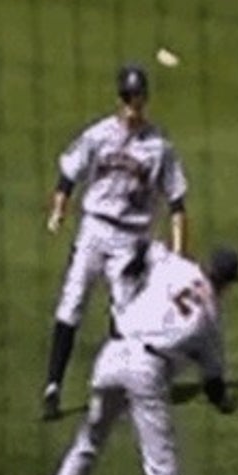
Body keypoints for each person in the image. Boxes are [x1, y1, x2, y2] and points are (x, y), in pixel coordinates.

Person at [30, 241, 238, 475]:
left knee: (89, 441)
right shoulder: (212, 321)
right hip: (147, 370)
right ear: (228, 283)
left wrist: (131, 276)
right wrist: (225, 404)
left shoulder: (177, 266)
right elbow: (214, 385)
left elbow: (144, 247)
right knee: (164, 471)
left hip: (112, 355)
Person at [41, 64, 190, 421]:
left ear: (145, 99)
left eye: (137, 97)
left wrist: (179, 251)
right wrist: (59, 208)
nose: (132, 105)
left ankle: (114, 388)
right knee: (72, 302)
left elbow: (177, 202)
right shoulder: (98, 135)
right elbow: (68, 173)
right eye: (127, 97)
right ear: (119, 98)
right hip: (94, 229)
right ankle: (52, 387)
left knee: (125, 315)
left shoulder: (160, 147)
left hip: (131, 239)